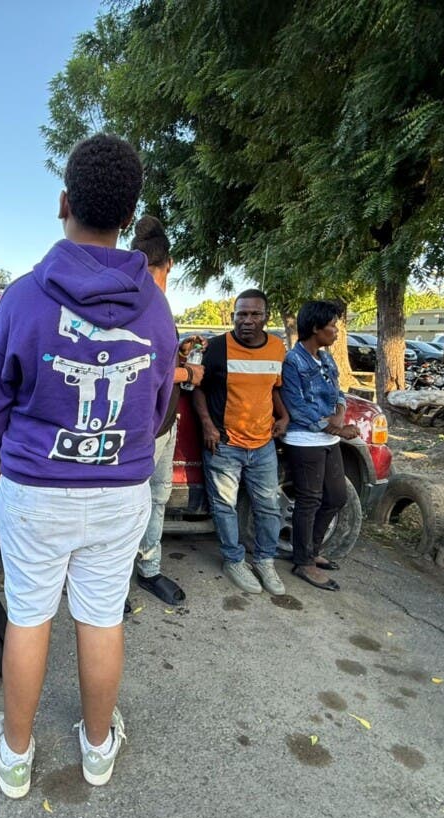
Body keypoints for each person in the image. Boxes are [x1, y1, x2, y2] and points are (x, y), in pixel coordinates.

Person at [0, 134, 177, 799]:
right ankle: (97, 748)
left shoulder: (21, 297)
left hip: (36, 486)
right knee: (101, 619)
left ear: (63, 202)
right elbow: (157, 407)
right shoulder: (154, 306)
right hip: (118, 491)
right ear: (128, 216)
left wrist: (32, 456)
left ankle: (13, 753)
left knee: (29, 617)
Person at [193, 289, 290, 596]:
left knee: (268, 507)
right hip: (225, 444)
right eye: (241, 314)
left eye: (254, 314)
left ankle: (264, 561)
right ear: (233, 316)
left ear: (266, 317)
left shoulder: (276, 348)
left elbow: (273, 388)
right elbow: (197, 389)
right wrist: (208, 425)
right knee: (224, 507)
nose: (247, 321)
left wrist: (283, 416)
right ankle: (234, 560)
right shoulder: (218, 348)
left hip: (263, 445)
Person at [129, 215, 204, 605]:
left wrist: (180, 351)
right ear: (169, 263)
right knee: (128, 505)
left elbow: (156, 358)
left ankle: (149, 569)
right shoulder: (139, 301)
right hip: (140, 427)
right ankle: (115, 581)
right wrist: (188, 371)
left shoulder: (156, 303)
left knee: (157, 497)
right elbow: (140, 370)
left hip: (164, 422)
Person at [279, 300, 358, 592]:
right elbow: (296, 407)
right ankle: (304, 561)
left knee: (336, 497)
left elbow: (338, 391)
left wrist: (338, 412)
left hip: (328, 438)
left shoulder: (326, 359)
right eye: (332, 326)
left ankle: (311, 550)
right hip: (305, 440)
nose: (336, 331)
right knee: (309, 500)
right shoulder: (293, 361)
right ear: (315, 328)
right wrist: (333, 426)